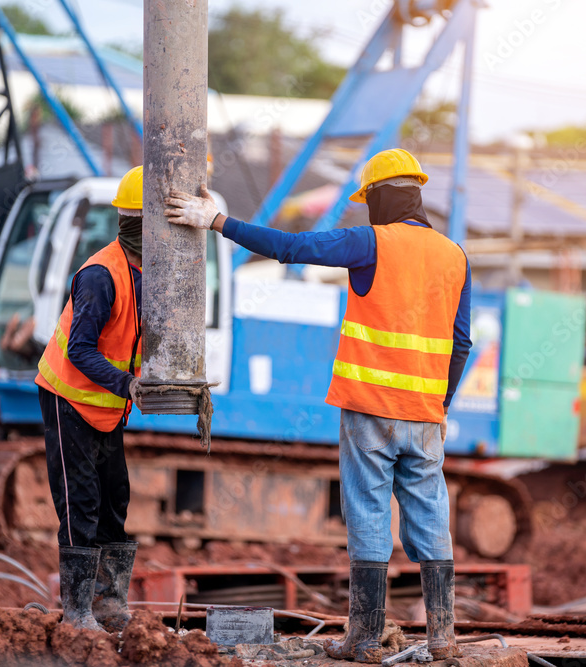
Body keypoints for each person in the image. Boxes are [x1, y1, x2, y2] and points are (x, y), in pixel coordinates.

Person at [164, 148, 472, 663]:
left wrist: (216, 220)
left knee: (369, 513)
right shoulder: (455, 255)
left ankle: (364, 639)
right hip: (425, 415)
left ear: (377, 197)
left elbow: (290, 247)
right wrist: (440, 406)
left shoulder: (370, 241)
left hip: (370, 407)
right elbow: (460, 344)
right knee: (430, 514)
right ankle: (442, 636)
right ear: (416, 193)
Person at [35, 166, 146, 632]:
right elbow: (79, 350)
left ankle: (109, 605)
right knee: (80, 501)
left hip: (106, 408)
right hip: (69, 399)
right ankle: (78, 612)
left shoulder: (152, 274)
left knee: (114, 498)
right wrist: (128, 385)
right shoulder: (102, 274)